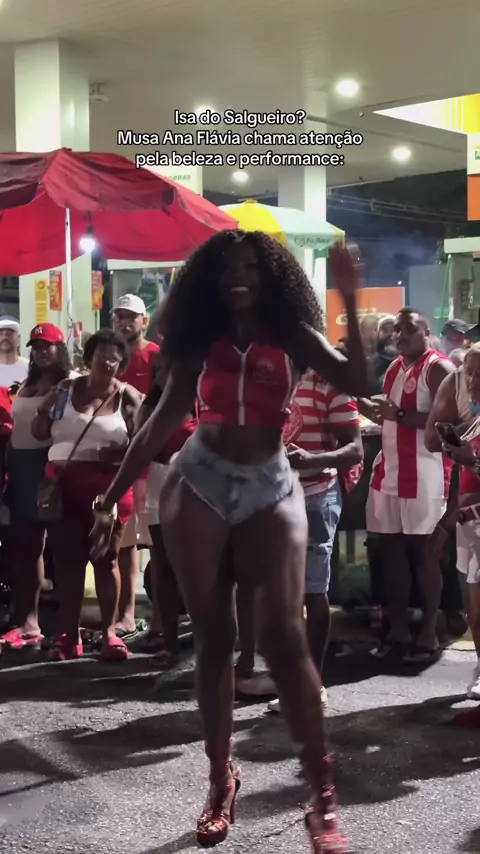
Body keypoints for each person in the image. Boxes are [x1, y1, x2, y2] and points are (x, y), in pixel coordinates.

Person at [90, 231, 369, 854]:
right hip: (202, 478)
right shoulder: (200, 337)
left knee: (287, 639)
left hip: (271, 479)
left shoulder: (293, 333)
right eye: (227, 268)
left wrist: (349, 299)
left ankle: (321, 794)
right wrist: (110, 497)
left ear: (271, 276)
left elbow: (355, 376)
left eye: (250, 267)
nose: (238, 277)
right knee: (214, 638)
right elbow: (163, 418)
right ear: (210, 280)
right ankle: (221, 781)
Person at [30, 329, 141, 661]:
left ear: (121, 364)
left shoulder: (127, 397)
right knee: (67, 562)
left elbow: (142, 443)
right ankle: (68, 636)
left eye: (114, 358)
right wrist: (43, 409)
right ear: (89, 357)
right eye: (101, 355)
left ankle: (109, 634)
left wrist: (119, 451)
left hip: (108, 490)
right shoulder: (65, 390)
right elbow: (40, 433)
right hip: (62, 487)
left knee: (106, 560)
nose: (106, 362)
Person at [268, 367, 363, 714]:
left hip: (317, 496)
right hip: (273, 496)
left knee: (312, 590)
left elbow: (355, 448)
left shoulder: (329, 384)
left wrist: (314, 459)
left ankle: (312, 686)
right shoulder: (271, 376)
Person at [363, 308, 454, 663]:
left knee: (426, 554)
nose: (399, 335)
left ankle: (429, 632)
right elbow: (390, 415)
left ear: (427, 333)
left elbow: (451, 424)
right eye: (397, 330)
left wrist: (398, 415)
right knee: (392, 553)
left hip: (425, 477)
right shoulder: (394, 368)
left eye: (409, 329)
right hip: (388, 473)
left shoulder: (439, 368)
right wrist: (379, 414)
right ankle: (398, 629)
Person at [0, 324, 73, 649]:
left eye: (48, 346)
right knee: (25, 548)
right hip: (18, 467)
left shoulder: (68, 384)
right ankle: (28, 623)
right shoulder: (27, 384)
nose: (42, 352)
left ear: (60, 349)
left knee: (61, 548)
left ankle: (67, 625)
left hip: (48, 465)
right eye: (37, 347)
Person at [425, 343, 480, 701]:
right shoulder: (469, 413)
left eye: (479, 375)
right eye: (469, 372)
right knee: (474, 600)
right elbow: (431, 438)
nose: (471, 381)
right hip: (470, 520)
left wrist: (471, 461)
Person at [111, 294, 160, 638]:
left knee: (158, 544)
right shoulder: (111, 356)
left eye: (131, 317)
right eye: (119, 317)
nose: (124, 323)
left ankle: (160, 618)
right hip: (122, 461)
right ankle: (126, 614)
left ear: (144, 321)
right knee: (125, 542)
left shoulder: (156, 355)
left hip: (155, 460)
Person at [371, 314, 397, 393]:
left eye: (393, 330)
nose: (389, 334)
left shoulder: (409, 362)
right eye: (384, 330)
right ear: (378, 335)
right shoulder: (370, 364)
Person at [0, 316, 28, 388]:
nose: (4, 337)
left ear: (19, 338)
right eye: (0, 333)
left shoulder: (31, 369)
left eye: (9, 333)